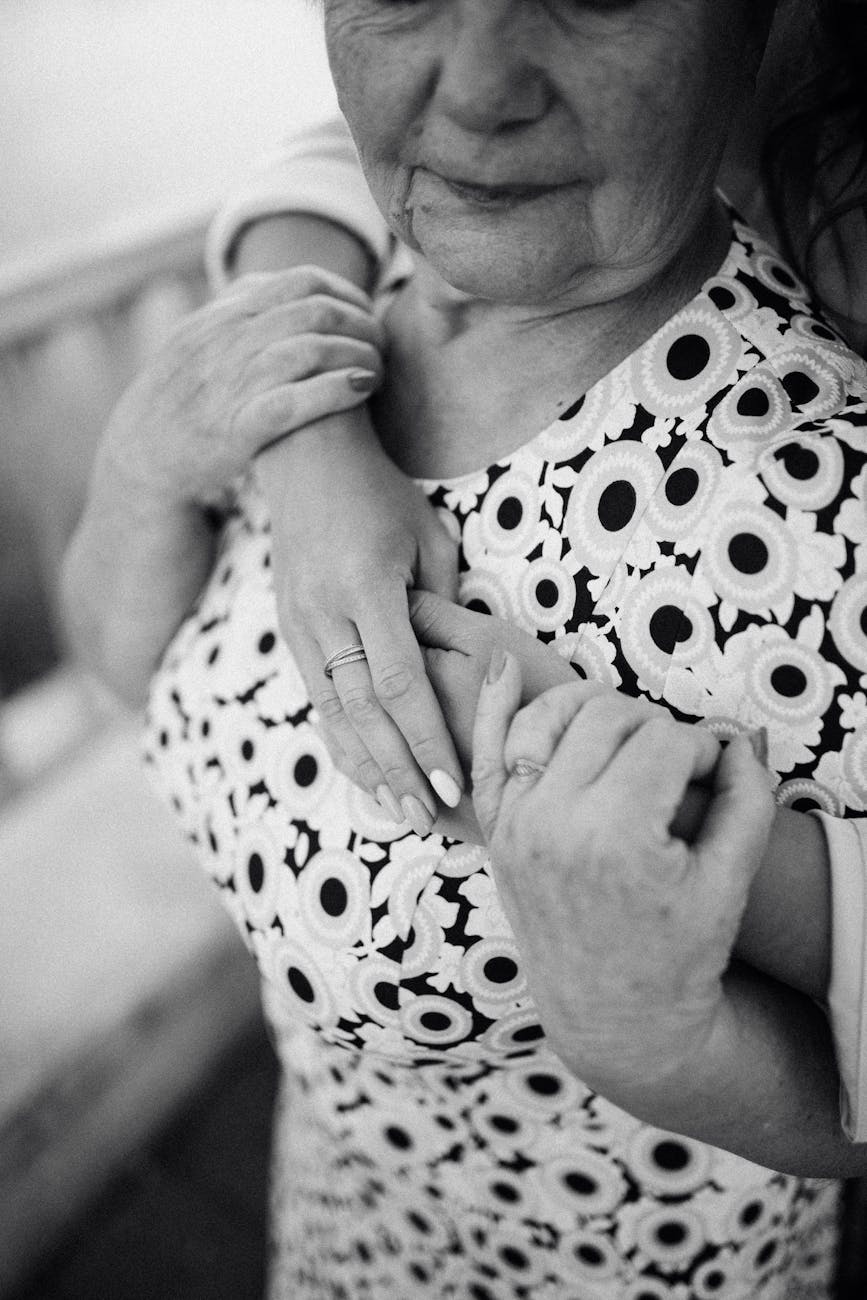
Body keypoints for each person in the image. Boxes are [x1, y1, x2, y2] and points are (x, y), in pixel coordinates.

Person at [63, 0, 867, 1294]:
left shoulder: (822, 517)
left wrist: (657, 1040)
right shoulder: (350, 281)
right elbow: (131, 674)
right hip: (331, 1224)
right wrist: (149, 467)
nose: (479, 87)